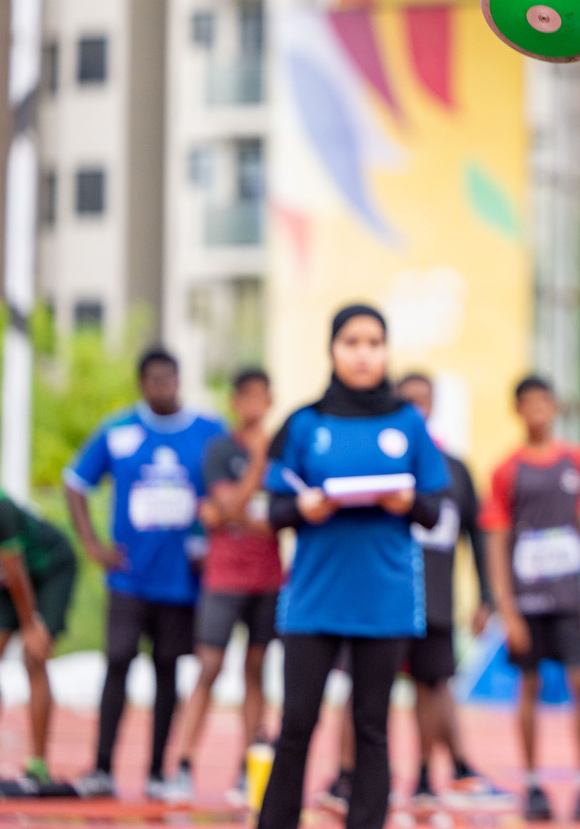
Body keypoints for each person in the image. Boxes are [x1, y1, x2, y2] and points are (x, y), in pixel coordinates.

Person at [256, 304, 448, 829]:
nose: (364, 354)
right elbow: (271, 511)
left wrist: (405, 502)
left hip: (384, 599)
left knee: (372, 726)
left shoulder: (408, 422)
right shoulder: (305, 423)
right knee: (296, 724)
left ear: (386, 351)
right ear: (332, 350)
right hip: (314, 600)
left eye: (374, 342)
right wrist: (303, 508)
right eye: (352, 342)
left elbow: (435, 511)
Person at [64, 347, 226, 800]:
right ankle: (101, 767)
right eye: (154, 380)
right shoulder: (118, 431)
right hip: (129, 576)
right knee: (118, 660)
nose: (164, 387)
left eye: (170, 378)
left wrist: (211, 540)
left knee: (167, 670)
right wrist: (94, 545)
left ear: (179, 379)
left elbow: (235, 482)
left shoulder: (209, 432)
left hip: (181, 579)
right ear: (142, 384)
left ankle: (158, 769)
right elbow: (75, 482)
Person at [482, 376, 580, 823]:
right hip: (528, 597)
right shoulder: (506, 470)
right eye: (528, 403)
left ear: (555, 407)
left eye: (544, 402)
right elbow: (497, 541)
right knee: (530, 685)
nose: (538, 410)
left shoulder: (577, 461)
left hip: (568, 595)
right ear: (518, 410)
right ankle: (533, 782)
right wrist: (507, 608)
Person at [163, 368, 282, 803]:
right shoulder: (221, 450)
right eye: (246, 397)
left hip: (268, 578)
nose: (254, 406)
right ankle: (183, 761)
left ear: (270, 403)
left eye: (262, 398)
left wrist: (235, 513)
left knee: (256, 669)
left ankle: (250, 765)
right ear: (236, 402)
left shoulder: (282, 454)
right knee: (209, 667)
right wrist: (254, 473)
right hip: (224, 576)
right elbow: (223, 508)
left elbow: (273, 519)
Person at [394, 372, 505, 803]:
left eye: (424, 400)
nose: (418, 409)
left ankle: (431, 774)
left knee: (433, 682)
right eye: (409, 401)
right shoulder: (385, 463)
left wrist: (486, 596)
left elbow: (476, 536)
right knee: (369, 688)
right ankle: (349, 775)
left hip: (436, 598)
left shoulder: (454, 469)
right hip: (387, 596)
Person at [0, 488, 78, 789]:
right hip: (9, 580)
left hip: (49, 570)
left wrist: (31, 624)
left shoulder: (3, 509)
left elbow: (15, 570)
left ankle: (38, 762)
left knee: (34, 656)